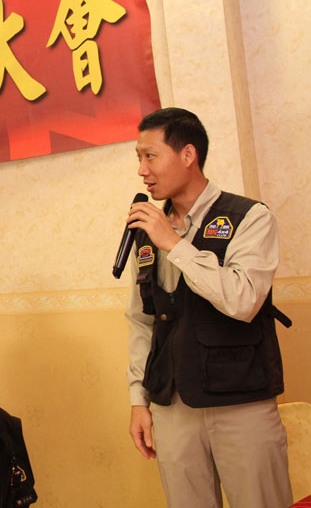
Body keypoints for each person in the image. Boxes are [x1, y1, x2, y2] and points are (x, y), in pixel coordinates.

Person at [125, 107, 292, 508]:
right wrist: (138, 400)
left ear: (188, 155)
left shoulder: (250, 217)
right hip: (172, 404)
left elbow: (243, 300)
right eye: (139, 158)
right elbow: (142, 321)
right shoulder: (147, 233)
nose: (142, 170)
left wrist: (175, 244)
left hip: (241, 402)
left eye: (151, 156)